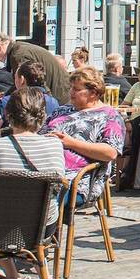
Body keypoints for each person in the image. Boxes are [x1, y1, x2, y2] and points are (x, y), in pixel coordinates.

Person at [0, 86, 66, 279]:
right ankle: (44, 276)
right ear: (42, 116)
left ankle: (12, 275)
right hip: (42, 227)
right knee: (29, 211)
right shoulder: (54, 146)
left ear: (8, 115)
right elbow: (58, 185)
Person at [41, 67, 125, 206]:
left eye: (76, 89)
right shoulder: (61, 110)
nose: (71, 92)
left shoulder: (109, 116)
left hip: (74, 180)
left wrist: (71, 143)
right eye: (71, 88)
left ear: (93, 93)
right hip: (41, 172)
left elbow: (110, 153)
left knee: (38, 200)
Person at [0, 61, 60, 139]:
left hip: (13, 147)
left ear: (22, 80)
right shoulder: (54, 102)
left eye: (15, 78)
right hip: (45, 148)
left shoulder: (8, 101)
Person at [0, 31, 70, 103]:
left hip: (59, 97)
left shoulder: (18, 55)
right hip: (58, 94)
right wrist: (3, 96)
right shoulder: (18, 49)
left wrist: (3, 100)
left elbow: (27, 87)